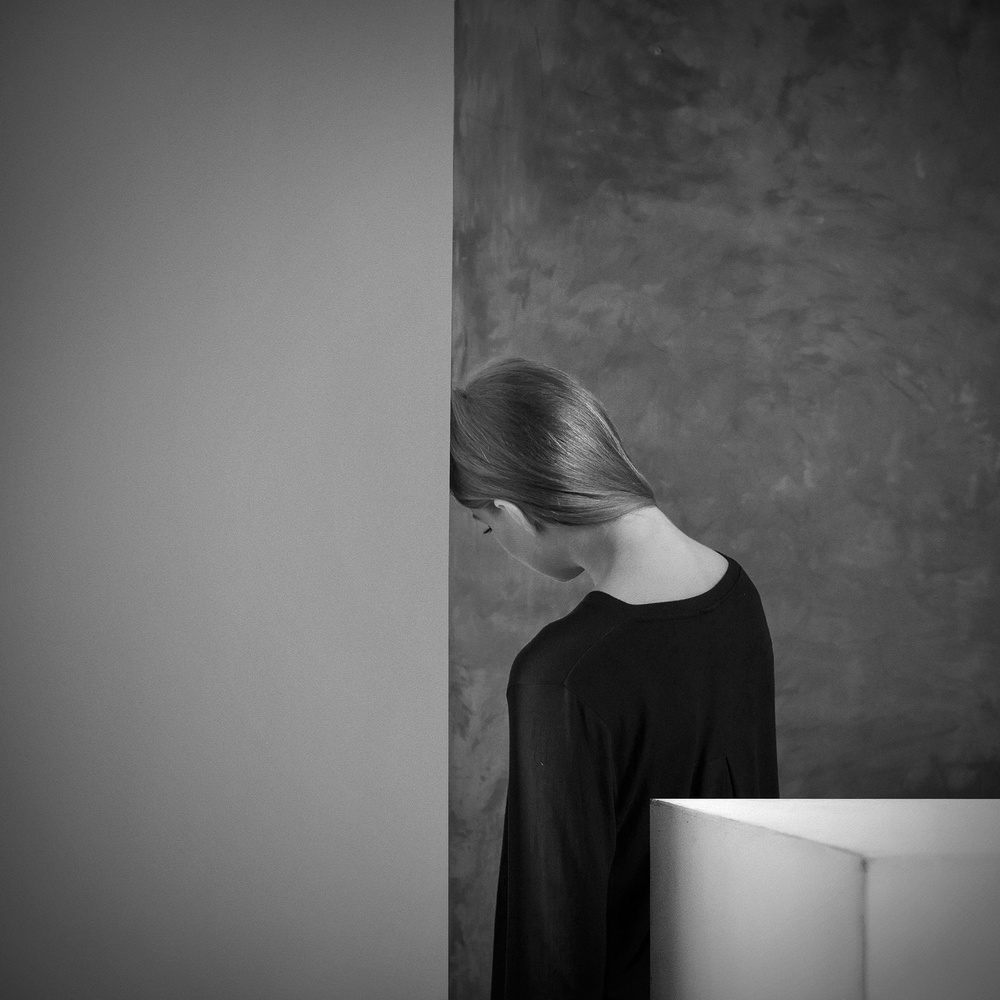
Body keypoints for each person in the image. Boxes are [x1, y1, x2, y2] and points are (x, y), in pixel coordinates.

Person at [450, 356, 779, 1000]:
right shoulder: (738, 597)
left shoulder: (562, 676)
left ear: (512, 511)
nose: (497, 539)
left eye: (486, 526)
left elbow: (550, 951)